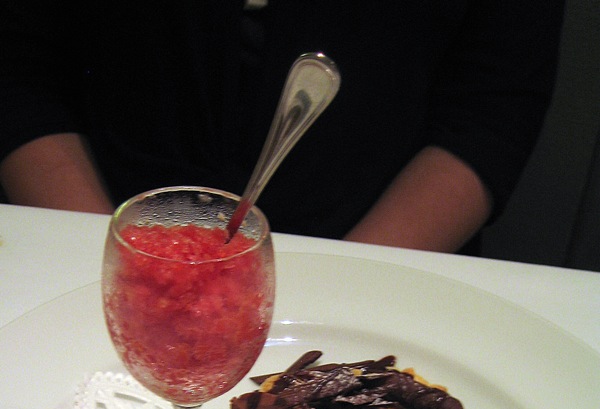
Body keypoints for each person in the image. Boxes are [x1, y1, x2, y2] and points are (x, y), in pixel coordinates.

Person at [0, 1, 565, 254]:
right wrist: (117, 268)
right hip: (92, 236)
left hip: (386, 260)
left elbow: (493, 105)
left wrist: (351, 282)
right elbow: (18, 70)